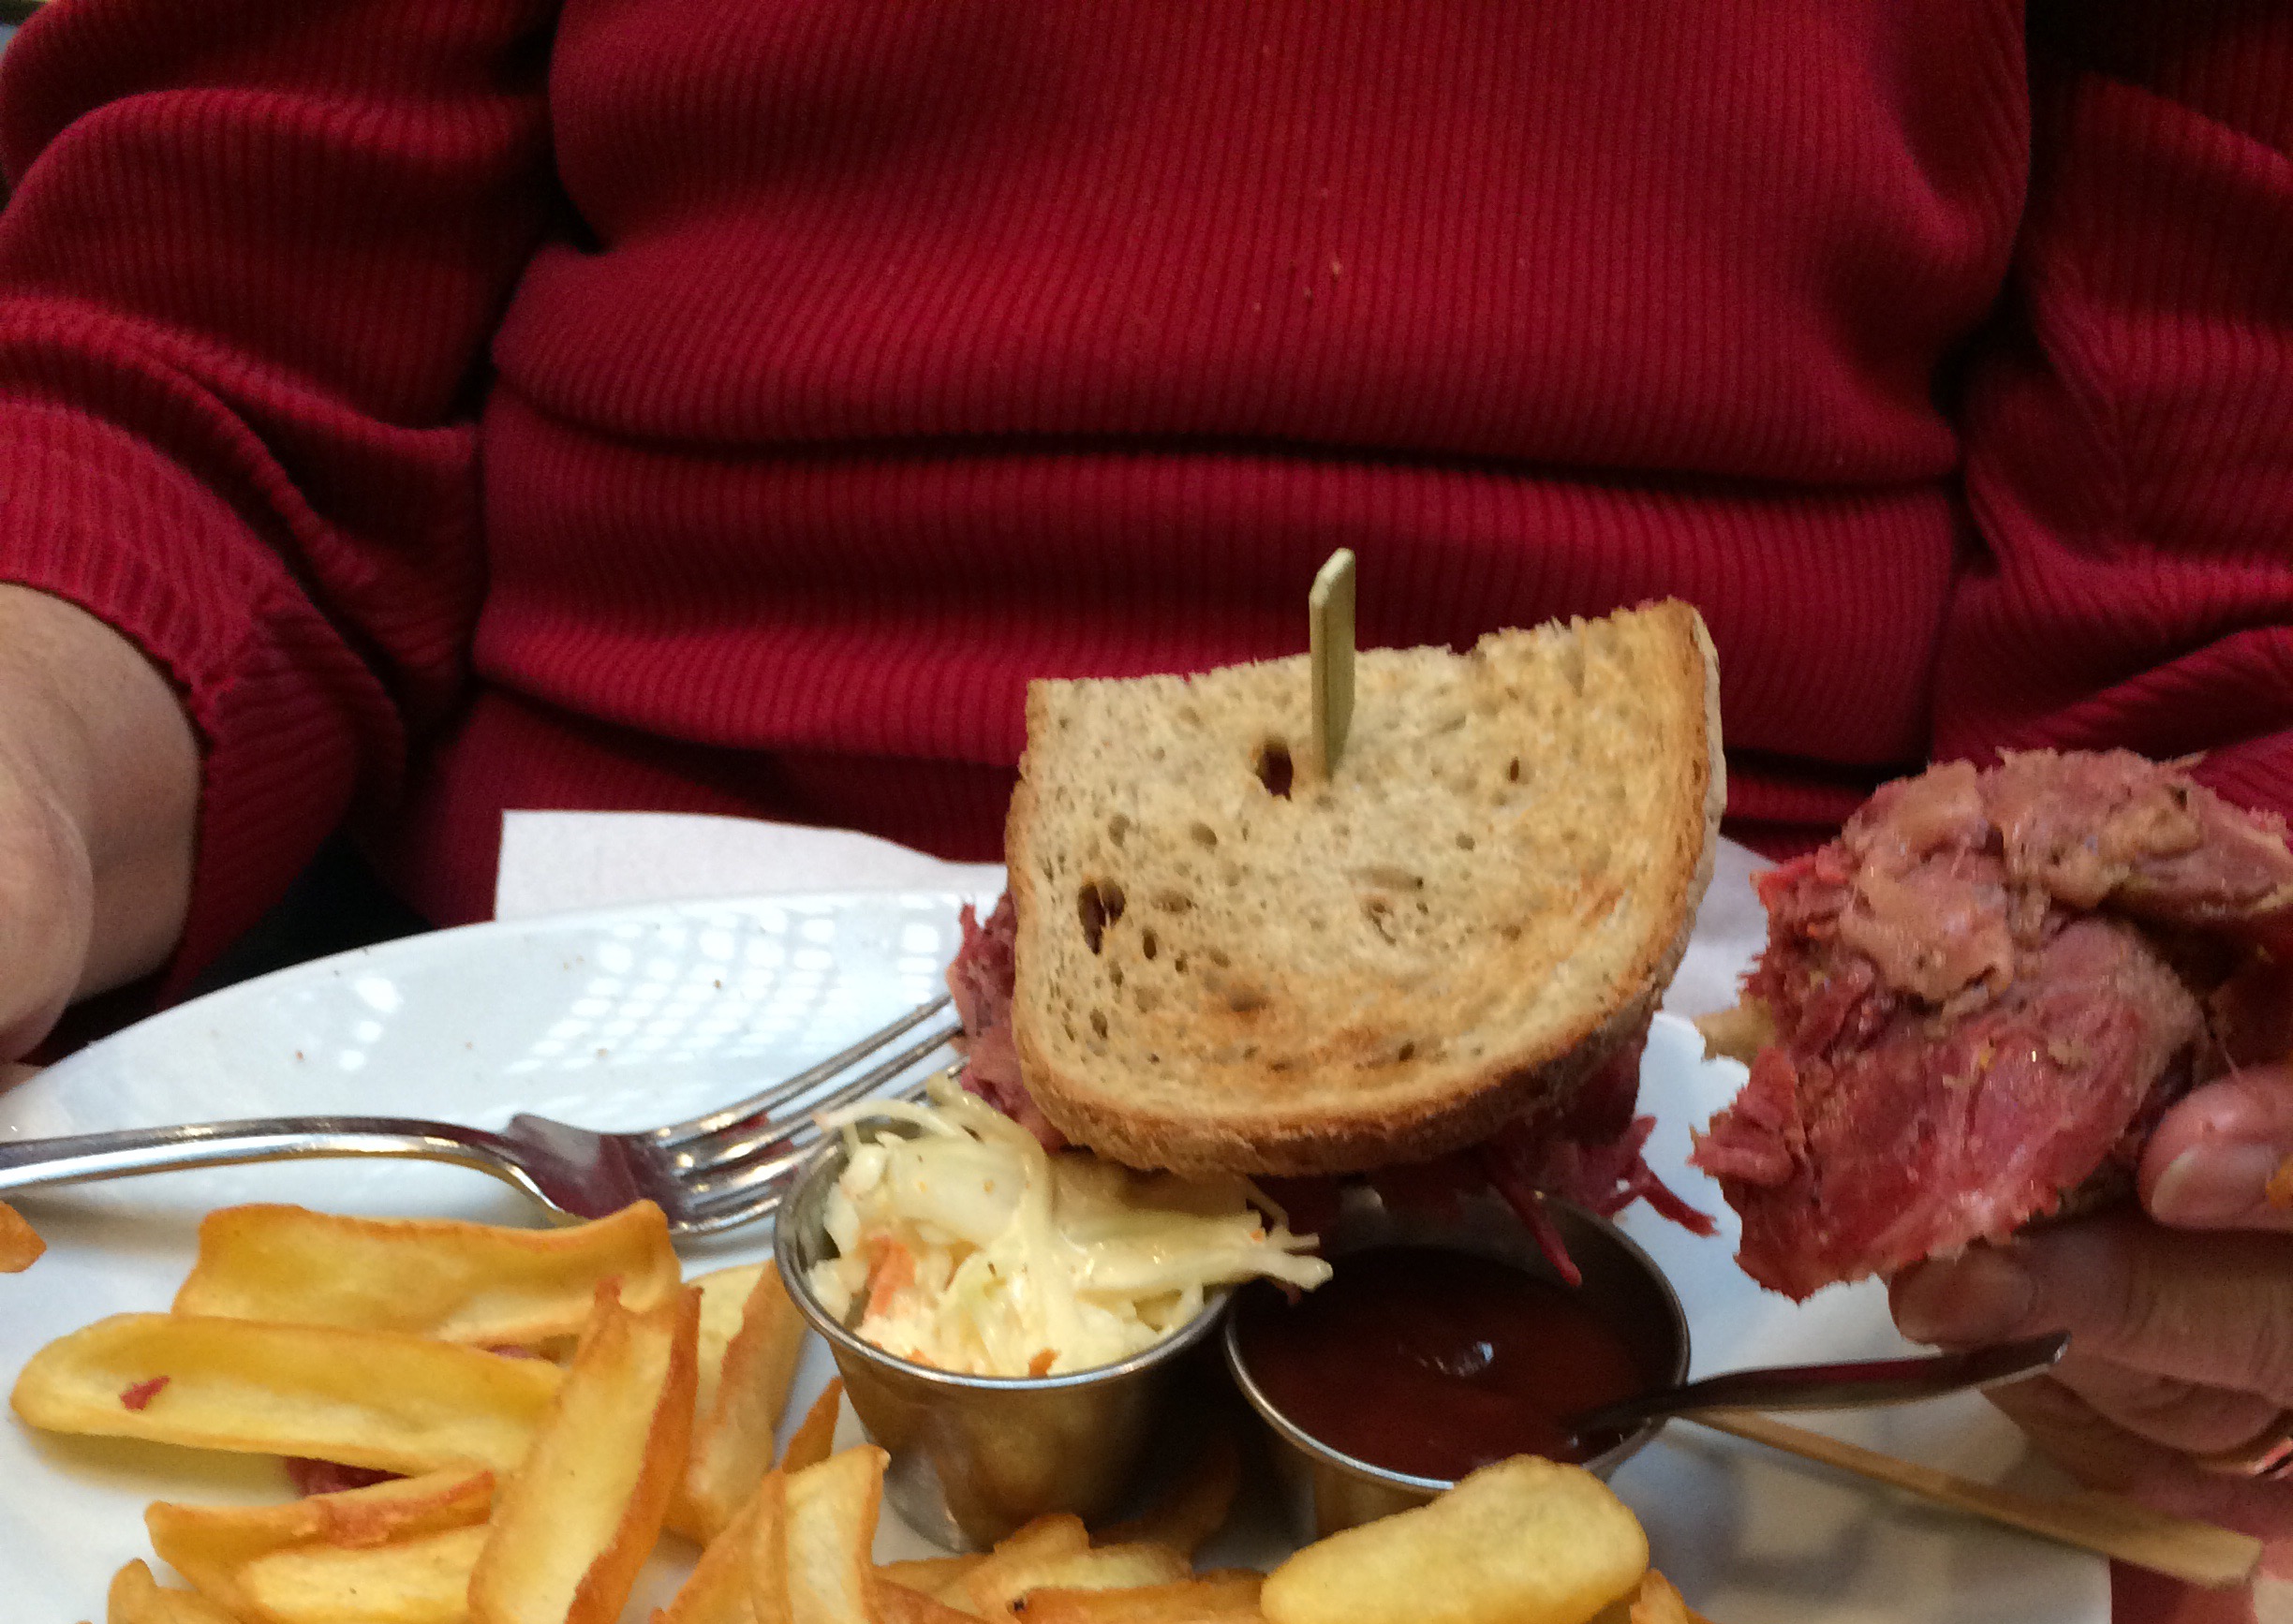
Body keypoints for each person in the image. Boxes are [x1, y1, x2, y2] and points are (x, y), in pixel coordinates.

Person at [0, 0, 2286, 1519]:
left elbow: (2220, 597)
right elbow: (201, 338)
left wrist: (2199, 1131)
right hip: (562, 1009)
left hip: (1797, 1227)